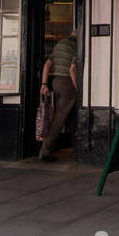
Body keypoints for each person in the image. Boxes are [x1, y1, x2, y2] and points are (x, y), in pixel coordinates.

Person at [39, 27, 80, 161]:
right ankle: (45, 152)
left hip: (55, 82)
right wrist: (78, 89)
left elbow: (47, 65)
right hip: (67, 83)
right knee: (59, 118)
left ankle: (77, 149)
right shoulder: (76, 46)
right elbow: (72, 69)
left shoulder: (60, 43)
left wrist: (44, 85)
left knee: (72, 116)